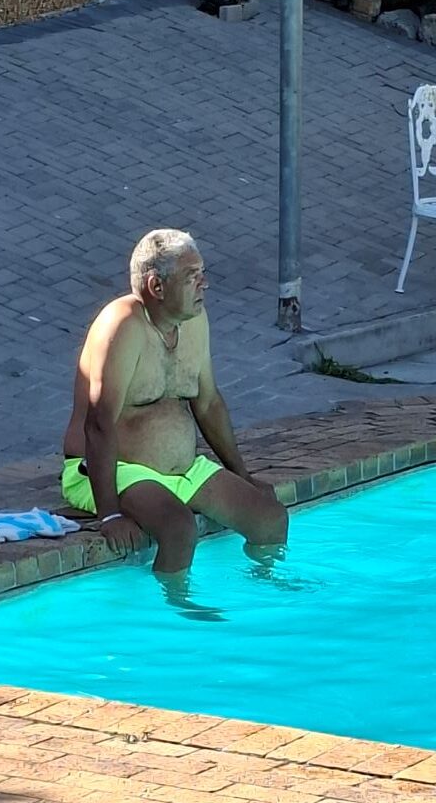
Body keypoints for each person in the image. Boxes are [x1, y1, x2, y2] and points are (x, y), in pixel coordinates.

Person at [62, 229, 288, 575]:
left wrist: (242, 476)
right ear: (156, 286)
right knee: (179, 530)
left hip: (183, 470)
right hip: (116, 471)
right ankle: (175, 616)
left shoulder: (195, 321)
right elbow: (99, 422)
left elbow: (209, 404)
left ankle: (263, 599)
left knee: (270, 518)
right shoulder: (122, 326)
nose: (204, 284)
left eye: (202, 274)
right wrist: (110, 514)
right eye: (191, 277)